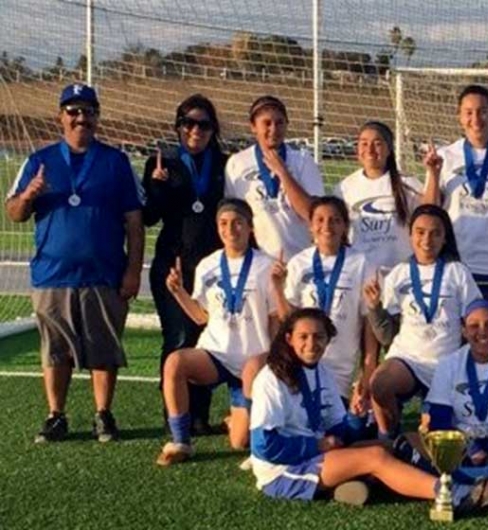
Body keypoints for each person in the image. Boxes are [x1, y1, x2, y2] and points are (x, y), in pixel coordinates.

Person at [248, 307, 488, 508]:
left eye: (319, 337)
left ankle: (470, 477)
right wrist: (316, 446)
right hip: (282, 471)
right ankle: (456, 496)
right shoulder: (272, 379)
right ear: (288, 339)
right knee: (375, 458)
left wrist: (355, 416)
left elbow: (342, 432)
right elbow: (264, 446)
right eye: (303, 336)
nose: (311, 343)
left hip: (317, 456)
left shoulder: (321, 372)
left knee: (398, 444)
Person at [5, 83, 144, 443]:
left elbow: (134, 221)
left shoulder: (116, 162)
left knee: (104, 349)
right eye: (74, 111)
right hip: (53, 273)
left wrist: (132, 271)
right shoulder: (40, 160)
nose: (81, 118)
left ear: (97, 117)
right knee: (56, 350)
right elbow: (14, 213)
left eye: (89, 111)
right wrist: (28, 195)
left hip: (105, 272)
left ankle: (103, 415)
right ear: (60, 117)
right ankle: (56, 415)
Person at [156, 199, 278, 465]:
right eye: (223, 224)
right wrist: (178, 293)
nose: (230, 229)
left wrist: (271, 356)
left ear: (250, 228)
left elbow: (275, 319)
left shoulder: (266, 266)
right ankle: (180, 442)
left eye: (237, 223)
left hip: (252, 357)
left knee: (239, 443)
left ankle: (237, 420)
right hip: (216, 352)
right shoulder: (207, 265)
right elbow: (202, 317)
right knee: (174, 362)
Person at [142, 93, 227, 432]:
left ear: (213, 130)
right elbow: (149, 218)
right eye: (188, 123)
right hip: (172, 266)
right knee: (177, 339)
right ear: (178, 127)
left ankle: (200, 416)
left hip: (213, 268)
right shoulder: (161, 163)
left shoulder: (224, 163)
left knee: (205, 340)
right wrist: (158, 188)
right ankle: (174, 416)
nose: (196, 130)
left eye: (203, 125)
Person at [364, 204, 481, 439]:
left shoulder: (457, 272)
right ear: (410, 235)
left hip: (446, 363)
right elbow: (387, 335)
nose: (427, 239)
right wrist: (375, 308)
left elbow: (475, 320)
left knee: (435, 435)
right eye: (420, 232)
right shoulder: (398, 274)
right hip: (407, 359)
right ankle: (389, 437)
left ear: (444, 238)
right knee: (380, 385)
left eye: (435, 233)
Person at [393, 299, 488, 477]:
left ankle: (464, 475)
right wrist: (472, 449)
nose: (483, 332)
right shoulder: (449, 364)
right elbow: (439, 419)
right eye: (474, 326)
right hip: (458, 443)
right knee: (408, 441)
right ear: (464, 331)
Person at [421, 85, 488, 305]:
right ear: (460, 117)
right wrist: (433, 174)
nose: (476, 118)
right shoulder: (444, 156)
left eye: (482, 111)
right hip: (452, 261)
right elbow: (428, 213)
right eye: (468, 112)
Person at [269, 196, 379, 409]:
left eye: (335, 220)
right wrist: (278, 288)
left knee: (340, 429)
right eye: (319, 220)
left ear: (345, 226)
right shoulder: (299, 263)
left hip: (340, 366)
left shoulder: (361, 263)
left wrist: (368, 369)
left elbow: (369, 323)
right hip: (302, 360)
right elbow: (287, 320)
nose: (326, 226)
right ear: (310, 226)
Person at [224, 95, 324, 260]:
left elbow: (312, 215)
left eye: (279, 123)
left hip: (299, 259)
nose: (274, 129)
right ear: (253, 126)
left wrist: (283, 173)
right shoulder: (237, 163)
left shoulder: (302, 160)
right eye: (267, 123)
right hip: (255, 263)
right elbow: (232, 218)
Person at [335, 121, 422, 272]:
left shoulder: (408, 183)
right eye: (364, 143)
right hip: (362, 273)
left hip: (402, 272)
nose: (370, 150)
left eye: (377, 144)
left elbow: (429, 216)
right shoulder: (344, 188)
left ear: (389, 149)